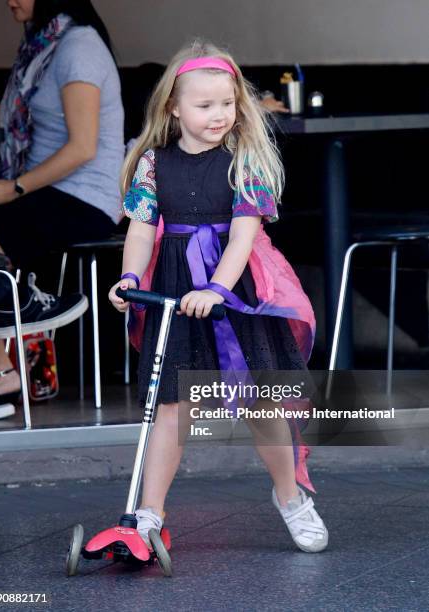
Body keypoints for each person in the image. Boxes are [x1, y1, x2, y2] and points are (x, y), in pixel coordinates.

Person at [109, 41, 328, 553]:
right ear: (174, 108)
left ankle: (290, 496)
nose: (219, 115)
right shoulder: (151, 164)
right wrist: (130, 280)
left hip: (233, 288)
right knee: (171, 405)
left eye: (227, 103)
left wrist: (216, 289)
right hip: (174, 288)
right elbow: (142, 231)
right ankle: (149, 513)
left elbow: (242, 237)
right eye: (205, 105)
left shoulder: (243, 161)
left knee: (261, 404)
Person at [0, 0, 125, 414]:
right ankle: (2, 359)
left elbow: (82, 147)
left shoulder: (78, 46)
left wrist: (12, 189)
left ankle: (5, 352)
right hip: (48, 190)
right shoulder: (41, 46)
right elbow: (14, 115)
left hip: (86, 197)